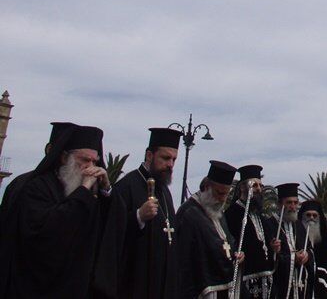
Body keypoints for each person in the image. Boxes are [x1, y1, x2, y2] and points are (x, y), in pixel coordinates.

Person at [0, 124, 114, 298]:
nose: (90, 167)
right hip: (34, 286)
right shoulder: (35, 186)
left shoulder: (90, 193)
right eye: (84, 160)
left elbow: (108, 228)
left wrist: (106, 189)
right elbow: (48, 231)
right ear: (63, 158)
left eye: (94, 161)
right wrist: (83, 191)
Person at [111, 127, 182, 298]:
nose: (170, 165)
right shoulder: (125, 187)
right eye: (165, 158)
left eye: (174, 159)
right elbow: (111, 236)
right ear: (150, 155)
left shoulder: (164, 192)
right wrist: (138, 217)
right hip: (135, 283)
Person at [176, 160, 243, 298]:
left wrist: (237, 253)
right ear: (206, 187)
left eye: (226, 194)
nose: (222, 199)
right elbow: (183, 261)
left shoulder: (216, 211)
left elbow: (228, 241)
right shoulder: (189, 213)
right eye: (219, 193)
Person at [224, 164, 281, 299]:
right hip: (245, 282)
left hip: (267, 281)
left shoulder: (259, 215)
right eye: (254, 185)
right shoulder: (231, 214)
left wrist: (275, 248)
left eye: (260, 186)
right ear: (243, 187)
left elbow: (267, 246)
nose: (259, 189)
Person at [272, 183, 313, 299]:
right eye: (289, 203)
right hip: (280, 288)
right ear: (280, 204)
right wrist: (293, 258)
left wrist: (307, 256)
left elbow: (309, 248)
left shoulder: (300, 225)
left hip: (300, 287)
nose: (293, 207)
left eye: (296, 202)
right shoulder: (270, 224)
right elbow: (270, 258)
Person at [298, 200, 327, 298]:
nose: (311, 218)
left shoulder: (325, 240)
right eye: (308, 215)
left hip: (321, 288)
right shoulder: (295, 236)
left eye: (314, 215)